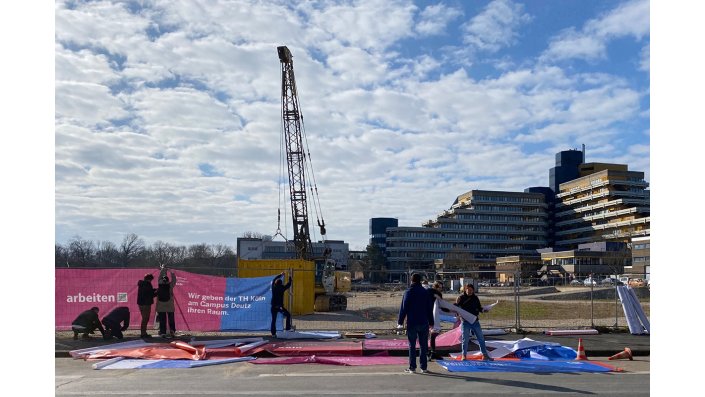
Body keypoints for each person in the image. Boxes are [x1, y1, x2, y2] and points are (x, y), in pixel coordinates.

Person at [397, 273, 434, 374]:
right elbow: (429, 308)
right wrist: (431, 322)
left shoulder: (408, 292)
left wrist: (400, 321)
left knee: (412, 345)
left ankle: (412, 367)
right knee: (423, 345)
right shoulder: (425, 292)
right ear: (420, 280)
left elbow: (403, 308)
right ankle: (424, 367)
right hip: (423, 321)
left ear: (411, 280)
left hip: (412, 322)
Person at [455, 283, 492, 361]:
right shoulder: (461, 298)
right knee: (465, 339)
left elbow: (479, 308)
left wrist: (483, 310)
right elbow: (455, 308)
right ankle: (464, 355)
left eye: (471, 290)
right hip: (465, 322)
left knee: (481, 338)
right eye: (468, 290)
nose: (470, 291)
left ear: (473, 290)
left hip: (475, 321)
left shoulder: (475, 298)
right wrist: (456, 302)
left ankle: (484, 355)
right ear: (465, 289)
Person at [427, 281, 447, 361]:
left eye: (441, 288)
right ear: (435, 286)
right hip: (429, 315)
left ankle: (432, 352)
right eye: (439, 287)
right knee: (431, 334)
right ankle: (430, 353)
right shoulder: (430, 292)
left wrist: (453, 310)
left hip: (432, 315)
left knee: (433, 334)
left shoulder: (437, 294)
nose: (440, 289)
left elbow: (442, 306)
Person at [156, 267, 177, 339]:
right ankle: (172, 331)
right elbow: (174, 280)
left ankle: (163, 332)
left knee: (162, 319)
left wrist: (163, 269)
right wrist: (171, 272)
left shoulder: (159, 284)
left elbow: (160, 276)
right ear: (168, 280)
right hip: (169, 305)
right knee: (171, 319)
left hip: (161, 305)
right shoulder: (170, 285)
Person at [270, 272, 293, 337]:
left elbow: (274, 280)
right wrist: (290, 277)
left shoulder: (274, 288)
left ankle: (273, 334)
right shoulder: (282, 288)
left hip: (273, 306)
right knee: (288, 315)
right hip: (280, 306)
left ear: (276, 283)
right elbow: (289, 284)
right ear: (281, 283)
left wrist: (280, 274)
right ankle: (287, 328)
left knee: (273, 320)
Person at [137, 273, 157, 338]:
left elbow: (147, 292)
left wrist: (153, 290)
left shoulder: (141, 284)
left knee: (144, 318)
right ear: (149, 279)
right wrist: (157, 292)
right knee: (145, 319)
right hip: (146, 304)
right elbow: (150, 294)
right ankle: (143, 333)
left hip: (140, 303)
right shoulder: (148, 284)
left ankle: (143, 332)